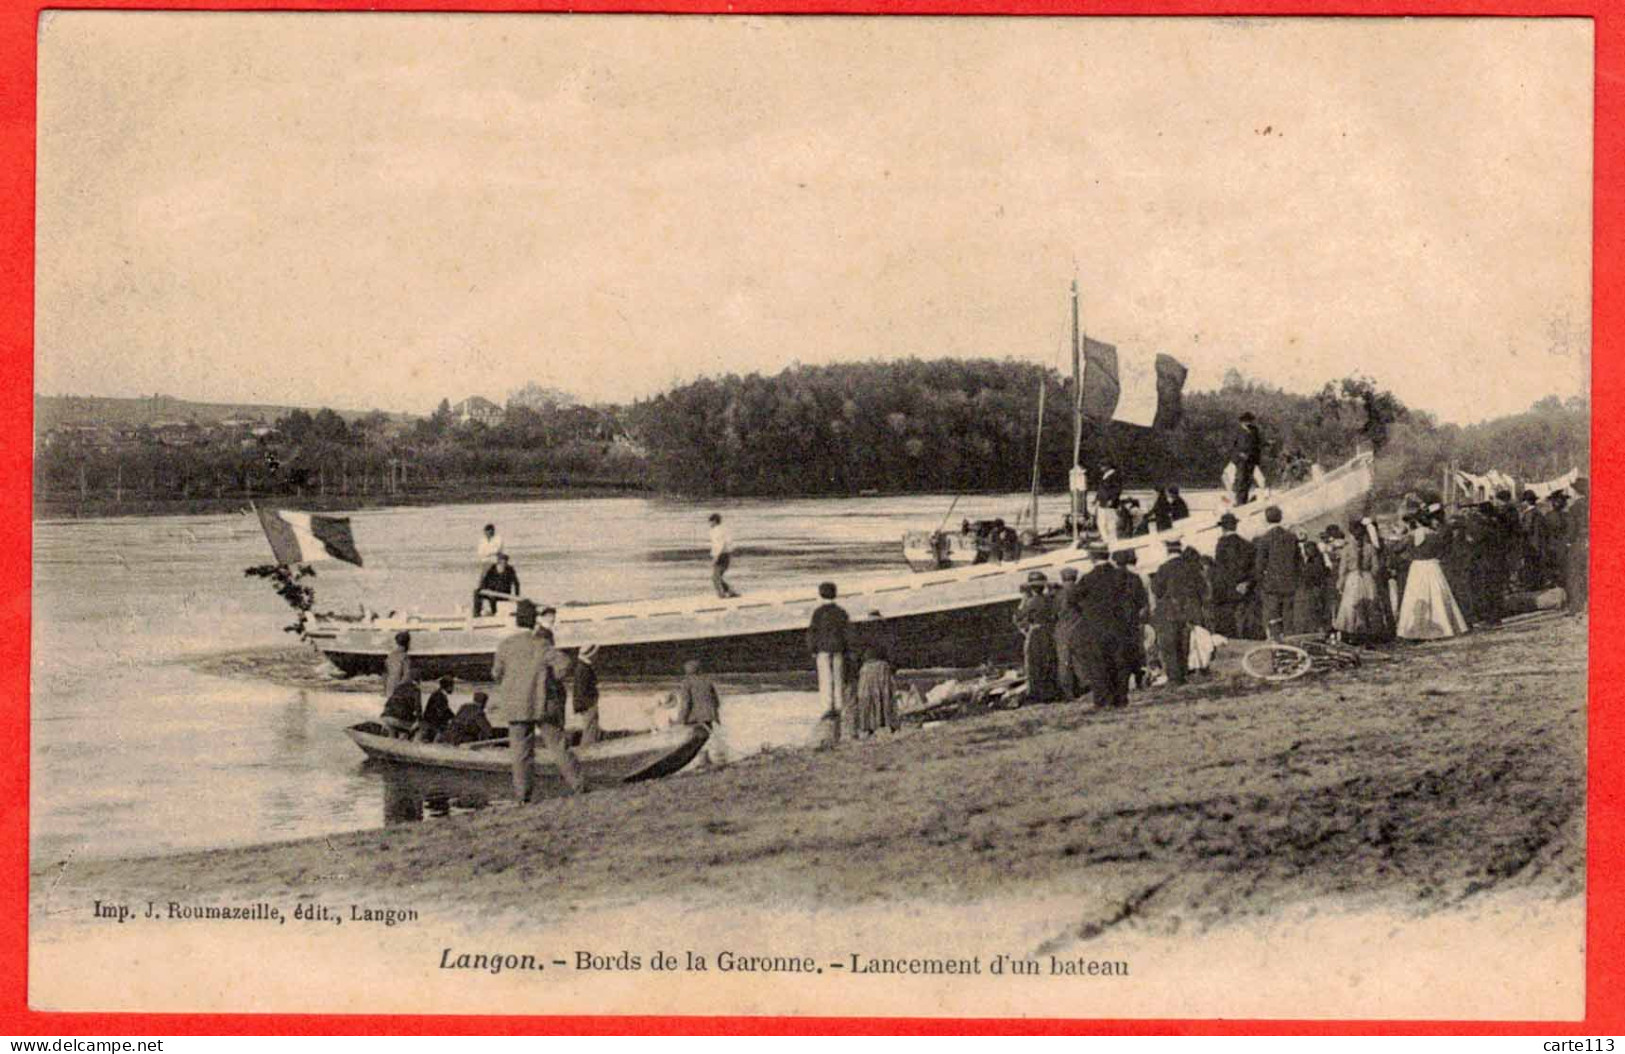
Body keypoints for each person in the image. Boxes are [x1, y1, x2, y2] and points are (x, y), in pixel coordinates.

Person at [492, 599, 584, 801]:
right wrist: (552, 679)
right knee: (558, 746)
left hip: (516, 705)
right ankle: (579, 787)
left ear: (517, 621)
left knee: (520, 754)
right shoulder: (541, 644)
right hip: (542, 703)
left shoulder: (505, 645)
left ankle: (523, 796)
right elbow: (565, 663)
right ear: (534, 621)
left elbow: (496, 674)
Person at [1062, 545, 1134, 708]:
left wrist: (1086, 611)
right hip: (1119, 624)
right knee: (1119, 662)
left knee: (1099, 664)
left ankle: (1103, 700)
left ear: (1092, 557)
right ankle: (1120, 699)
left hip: (1096, 626)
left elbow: (1072, 600)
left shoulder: (1088, 578)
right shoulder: (1121, 575)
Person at [1396, 510, 1469, 640]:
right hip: (1432, 565)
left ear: (1417, 522)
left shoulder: (1411, 536)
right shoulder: (1435, 535)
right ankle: (1443, 626)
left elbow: (1397, 549)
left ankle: (1414, 630)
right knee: (1437, 595)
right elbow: (1444, 550)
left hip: (1417, 567)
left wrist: (1409, 554)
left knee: (1415, 595)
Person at [1151, 539, 1207, 686]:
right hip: (1190, 611)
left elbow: (1157, 590)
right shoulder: (1190, 567)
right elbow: (1203, 589)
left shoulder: (1164, 568)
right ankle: (1186, 672)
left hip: (1170, 611)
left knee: (1171, 646)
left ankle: (1176, 678)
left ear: (1167, 550)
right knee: (1186, 643)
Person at [1334, 516, 1393, 644]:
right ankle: (1353, 631)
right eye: (1355, 531)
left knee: (1369, 603)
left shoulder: (1369, 548)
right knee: (1352, 604)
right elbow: (1343, 568)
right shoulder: (1347, 549)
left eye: (1360, 531)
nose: (1358, 534)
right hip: (1354, 578)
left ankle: (1368, 632)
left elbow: (1375, 566)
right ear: (1352, 532)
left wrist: (1369, 576)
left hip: (1364, 578)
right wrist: (1341, 582)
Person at [808, 582, 850, 740]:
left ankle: (827, 708)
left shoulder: (818, 613)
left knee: (825, 679)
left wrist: (813, 649)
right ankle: (839, 706)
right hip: (838, 649)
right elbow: (847, 632)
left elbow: (813, 632)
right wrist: (847, 649)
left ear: (820, 594)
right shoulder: (841, 612)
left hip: (823, 650)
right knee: (839, 678)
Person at [1253, 506, 1301, 641]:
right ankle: (1290, 647)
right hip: (1290, 585)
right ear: (1281, 517)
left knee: (1274, 619)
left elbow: (1259, 566)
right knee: (1289, 619)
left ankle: (1277, 648)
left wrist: (1261, 582)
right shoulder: (1291, 537)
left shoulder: (1265, 539)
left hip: (1271, 586)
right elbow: (1299, 562)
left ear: (1266, 519)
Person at [1014, 571, 1061, 703]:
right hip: (1050, 631)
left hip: (1037, 633)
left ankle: (1039, 693)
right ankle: (1054, 690)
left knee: (1035, 663)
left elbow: (1019, 615)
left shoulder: (1032, 602)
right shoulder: (1049, 599)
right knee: (1050, 660)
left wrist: (1023, 598)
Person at [675, 658, 728, 769]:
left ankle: (703, 762)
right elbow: (716, 701)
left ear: (687, 671)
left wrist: (681, 720)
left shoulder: (686, 683)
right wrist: (715, 715)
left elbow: (686, 703)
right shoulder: (707, 680)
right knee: (705, 737)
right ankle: (708, 760)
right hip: (709, 715)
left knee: (696, 739)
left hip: (696, 718)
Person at [1209, 513, 1254, 639]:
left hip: (1227, 590)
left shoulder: (1221, 544)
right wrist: (1246, 583)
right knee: (1243, 618)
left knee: (1229, 623)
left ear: (1223, 528)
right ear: (1235, 526)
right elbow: (1253, 568)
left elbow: (1220, 569)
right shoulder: (1246, 544)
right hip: (1244, 588)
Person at [1114, 550, 1150, 688]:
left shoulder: (1110, 579)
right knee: (1135, 650)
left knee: (1120, 651)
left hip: (1117, 619)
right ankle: (1139, 678)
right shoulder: (1135, 578)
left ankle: (1124, 681)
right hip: (1133, 619)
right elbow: (1142, 601)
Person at [853, 641, 900, 737]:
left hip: (868, 666)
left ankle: (869, 726)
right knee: (884, 696)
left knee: (868, 697)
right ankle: (887, 723)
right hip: (879, 665)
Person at [1290, 532, 1332, 635]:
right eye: (1307, 549)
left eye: (1310, 549)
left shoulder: (1317, 560)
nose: (1308, 551)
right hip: (1313, 589)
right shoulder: (1311, 560)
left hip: (1315, 589)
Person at [1052, 567, 1083, 698]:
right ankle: (1086, 685)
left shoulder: (1058, 594)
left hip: (1063, 630)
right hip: (1080, 627)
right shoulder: (1079, 590)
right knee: (1081, 658)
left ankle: (1068, 691)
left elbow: (1053, 613)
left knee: (1064, 661)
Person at [571, 644, 602, 746]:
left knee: (590, 727)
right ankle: (588, 750)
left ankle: (588, 748)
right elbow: (581, 690)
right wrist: (589, 704)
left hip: (585, 704)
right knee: (590, 728)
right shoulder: (583, 669)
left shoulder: (582, 667)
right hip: (587, 704)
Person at [1234, 412, 1264, 505]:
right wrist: (1240, 454)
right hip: (1241, 460)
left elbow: (1258, 443)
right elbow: (1233, 446)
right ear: (1242, 422)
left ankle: (1244, 499)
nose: (1249, 423)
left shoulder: (1254, 430)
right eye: (1246, 421)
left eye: (1250, 421)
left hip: (1252, 459)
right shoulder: (1237, 432)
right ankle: (1240, 501)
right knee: (1241, 479)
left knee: (1248, 480)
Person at [708, 513, 739, 598]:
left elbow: (719, 544)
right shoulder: (724, 530)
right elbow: (728, 542)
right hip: (726, 554)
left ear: (714, 521)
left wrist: (715, 557)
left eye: (710, 522)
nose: (709, 524)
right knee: (718, 576)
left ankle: (721, 595)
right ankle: (730, 591)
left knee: (715, 577)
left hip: (721, 555)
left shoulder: (716, 531)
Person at [419, 675, 456, 743]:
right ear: (448, 687)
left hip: (430, 724)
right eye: (452, 686)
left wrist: (454, 717)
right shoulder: (439, 696)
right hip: (432, 726)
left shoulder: (438, 694)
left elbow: (445, 710)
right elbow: (441, 713)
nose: (453, 689)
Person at [382, 631, 412, 700]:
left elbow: (385, 674)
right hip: (399, 692)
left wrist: (385, 689)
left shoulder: (390, 656)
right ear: (408, 643)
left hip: (389, 689)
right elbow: (406, 675)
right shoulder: (405, 657)